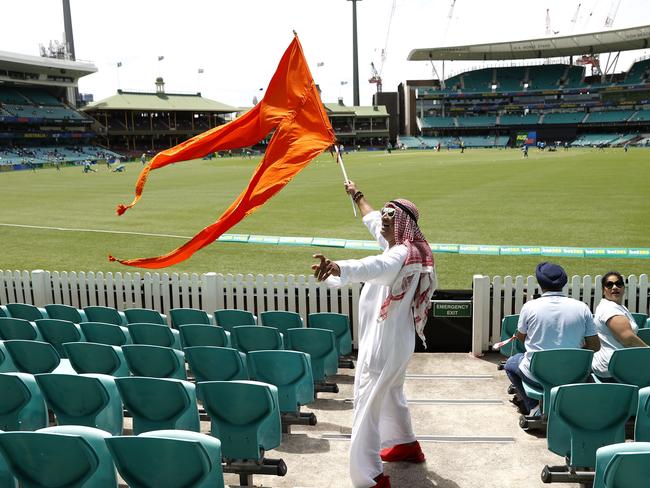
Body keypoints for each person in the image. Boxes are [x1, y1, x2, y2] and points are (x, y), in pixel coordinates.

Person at [311, 181, 436, 488]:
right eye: (384, 215)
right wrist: (358, 196)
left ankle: (367, 477)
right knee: (391, 394)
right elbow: (372, 223)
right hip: (397, 342)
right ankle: (405, 446)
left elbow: (373, 265)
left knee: (366, 404)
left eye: (389, 219)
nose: (383, 220)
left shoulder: (397, 257)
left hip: (380, 345)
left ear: (403, 224)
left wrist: (339, 267)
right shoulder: (410, 248)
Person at [504, 262, 600, 416]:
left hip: (538, 374)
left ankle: (534, 407)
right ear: (563, 282)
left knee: (510, 363)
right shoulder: (582, 307)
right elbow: (595, 345)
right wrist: (575, 353)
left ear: (540, 282)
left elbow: (521, 337)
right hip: (573, 373)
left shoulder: (530, 307)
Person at [592, 271, 648, 380]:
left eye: (618, 284)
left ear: (623, 288)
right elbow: (628, 339)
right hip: (613, 370)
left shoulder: (618, 306)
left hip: (619, 365)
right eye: (609, 284)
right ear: (603, 290)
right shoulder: (609, 309)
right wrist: (647, 350)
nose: (615, 287)